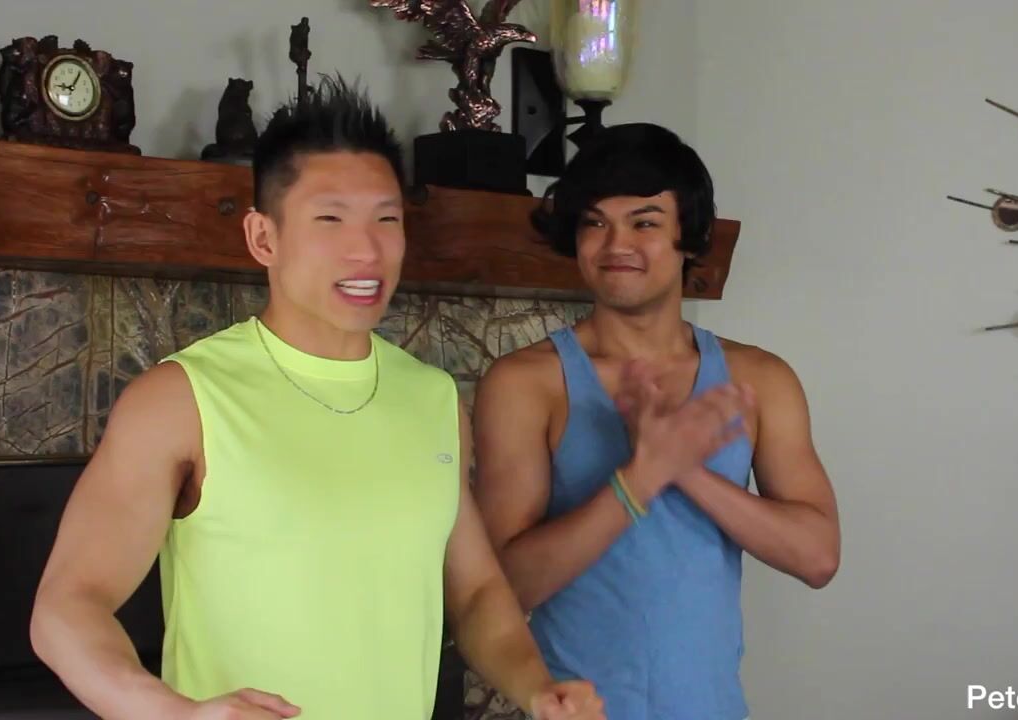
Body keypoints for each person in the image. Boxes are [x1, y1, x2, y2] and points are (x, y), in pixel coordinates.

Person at [30, 76, 604, 720]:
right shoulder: (181, 399)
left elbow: (474, 592)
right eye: (330, 219)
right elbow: (67, 607)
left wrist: (536, 688)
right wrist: (174, 714)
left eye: (386, 219)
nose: (366, 250)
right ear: (263, 237)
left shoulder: (434, 399)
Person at [471, 123, 841, 720]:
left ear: (688, 237)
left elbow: (818, 557)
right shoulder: (526, 384)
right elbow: (501, 590)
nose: (616, 244)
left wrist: (684, 470)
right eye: (595, 223)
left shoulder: (761, 379)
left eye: (644, 223)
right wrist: (638, 480)